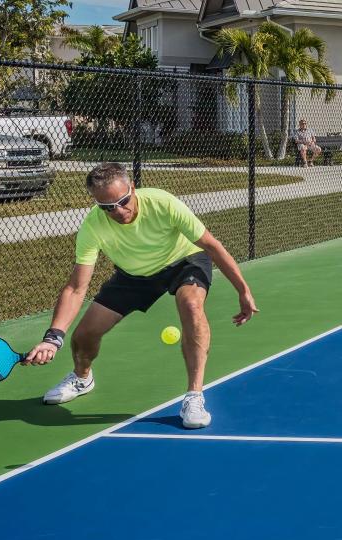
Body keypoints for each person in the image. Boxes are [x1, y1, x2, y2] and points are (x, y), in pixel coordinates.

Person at [23, 163, 259, 428]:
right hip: (133, 275)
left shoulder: (163, 203)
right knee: (83, 336)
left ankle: (194, 395)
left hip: (184, 261)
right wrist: (53, 338)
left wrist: (243, 290)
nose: (118, 211)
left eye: (123, 201)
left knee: (192, 306)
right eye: (107, 207)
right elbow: (76, 288)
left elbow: (211, 246)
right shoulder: (93, 225)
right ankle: (82, 378)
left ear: (132, 188)